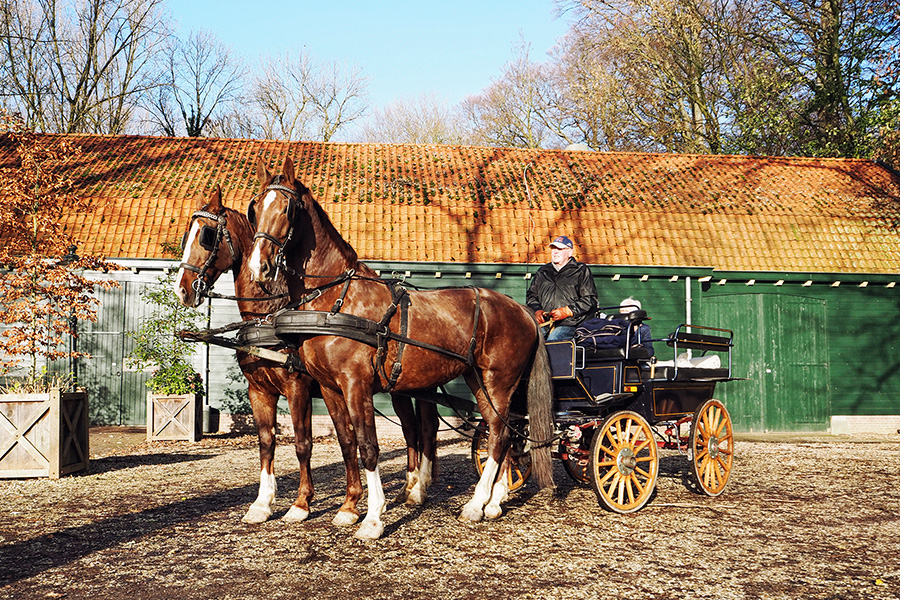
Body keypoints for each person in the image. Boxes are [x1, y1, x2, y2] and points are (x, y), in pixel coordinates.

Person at [526, 235, 598, 341]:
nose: (555, 252)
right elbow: (532, 295)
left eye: (559, 249)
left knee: (554, 339)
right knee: (527, 338)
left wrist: (568, 311)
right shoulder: (543, 271)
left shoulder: (580, 271)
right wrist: (537, 310)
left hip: (572, 323)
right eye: (553, 249)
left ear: (569, 252)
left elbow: (590, 299)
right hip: (545, 323)